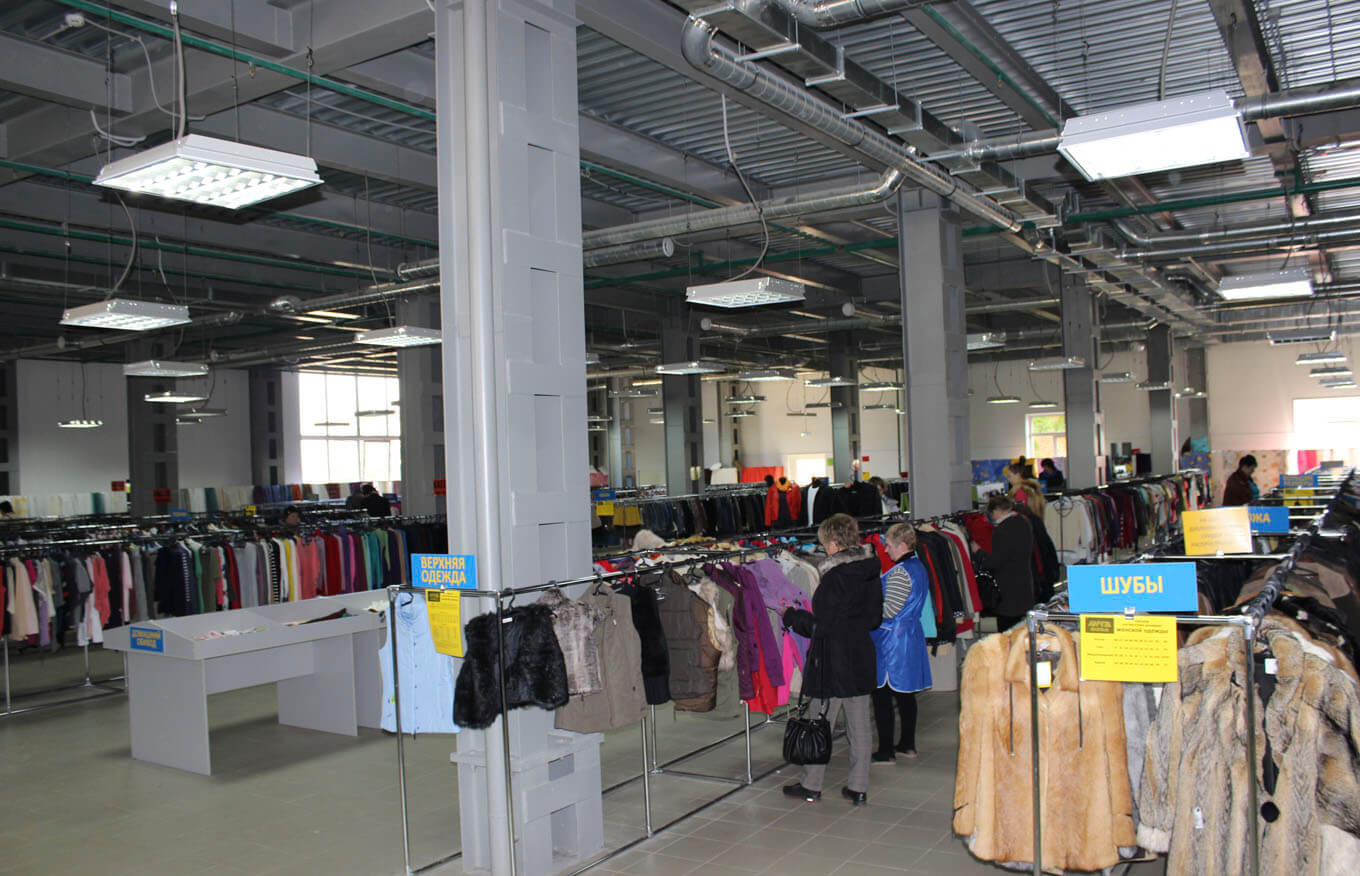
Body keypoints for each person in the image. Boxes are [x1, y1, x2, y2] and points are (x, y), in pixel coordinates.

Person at [780, 513, 883, 805]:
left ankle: (811, 784)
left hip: (832, 661)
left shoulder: (835, 578)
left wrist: (792, 617)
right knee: (859, 727)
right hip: (860, 655)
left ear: (835, 544)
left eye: (825, 543)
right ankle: (858, 788)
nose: (824, 549)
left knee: (818, 722)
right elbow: (874, 619)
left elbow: (821, 627)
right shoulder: (870, 571)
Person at [870, 522, 931, 764]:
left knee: (882, 696)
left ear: (903, 545)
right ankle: (907, 744)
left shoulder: (900, 573)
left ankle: (886, 750)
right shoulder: (918, 566)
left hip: (892, 641)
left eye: (889, 545)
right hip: (910, 636)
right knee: (906, 695)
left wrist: (867, 609)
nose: (886, 550)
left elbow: (890, 610)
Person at [975, 494, 1035, 632]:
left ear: (996, 511)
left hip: (1007, 588)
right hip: (1024, 584)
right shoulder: (1023, 522)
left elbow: (995, 561)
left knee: (1006, 630)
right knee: (1021, 629)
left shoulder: (1002, 530)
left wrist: (979, 552)